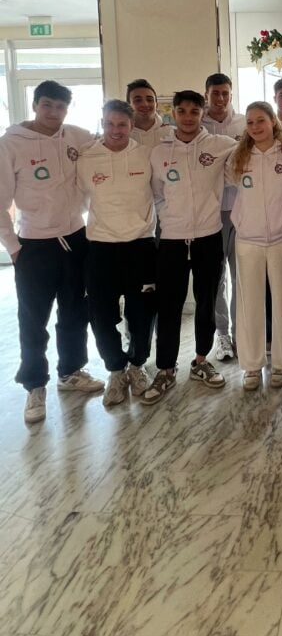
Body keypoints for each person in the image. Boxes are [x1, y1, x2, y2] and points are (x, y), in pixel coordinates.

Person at [0, 80, 103, 424]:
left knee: (75, 311)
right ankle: (34, 385)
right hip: (34, 245)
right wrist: (14, 248)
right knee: (33, 319)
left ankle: (71, 371)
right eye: (47, 105)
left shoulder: (75, 136)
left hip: (75, 238)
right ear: (34, 105)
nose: (53, 113)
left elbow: (108, 143)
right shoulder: (10, 144)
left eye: (60, 107)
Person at [144, 90, 237, 405]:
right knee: (168, 305)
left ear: (202, 114)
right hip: (171, 239)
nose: (187, 117)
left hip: (209, 236)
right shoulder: (159, 152)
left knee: (206, 301)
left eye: (194, 111)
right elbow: (157, 193)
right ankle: (166, 368)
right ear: (173, 114)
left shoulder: (220, 145)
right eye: (181, 111)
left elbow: (250, 150)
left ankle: (200, 361)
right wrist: (171, 219)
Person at [77, 100, 156, 406]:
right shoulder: (87, 157)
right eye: (110, 123)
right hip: (100, 247)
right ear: (102, 123)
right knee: (101, 315)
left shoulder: (145, 154)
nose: (116, 130)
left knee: (142, 312)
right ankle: (115, 370)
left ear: (131, 126)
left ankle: (137, 365)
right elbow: (78, 198)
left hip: (140, 245)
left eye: (122, 124)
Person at [230, 101, 282, 391]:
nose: (255, 127)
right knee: (249, 304)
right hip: (248, 240)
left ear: (273, 121)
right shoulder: (238, 156)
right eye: (250, 122)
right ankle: (252, 365)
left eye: (261, 120)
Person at [201, 73, 246, 362]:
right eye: (215, 93)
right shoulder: (198, 125)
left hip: (242, 210)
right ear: (207, 94)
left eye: (225, 93)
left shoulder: (244, 124)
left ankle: (242, 333)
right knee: (216, 279)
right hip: (209, 213)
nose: (220, 99)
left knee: (241, 276)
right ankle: (222, 334)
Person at [126, 79, 173, 147]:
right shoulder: (121, 136)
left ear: (156, 105)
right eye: (138, 100)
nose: (145, 104)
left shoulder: (172, 133)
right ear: (128, 106)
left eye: (149, 100)